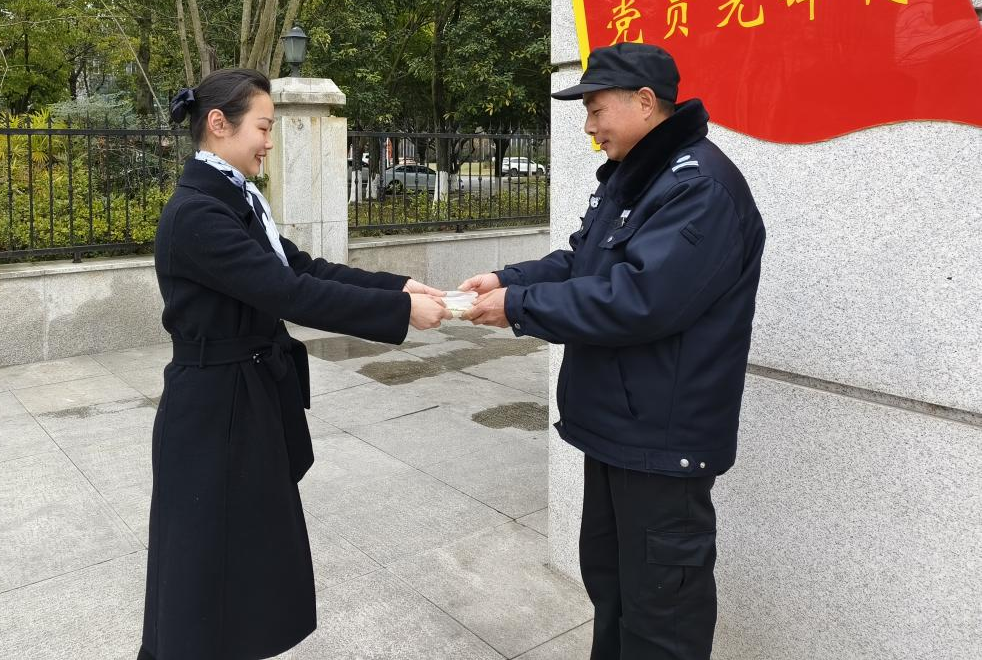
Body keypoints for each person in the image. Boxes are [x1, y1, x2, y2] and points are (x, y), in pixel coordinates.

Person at [461, 42, 765, 660]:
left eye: (596, 109)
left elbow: (639, 299)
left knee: (660, 618)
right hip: (620, 431)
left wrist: (519, 307)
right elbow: (583, 261)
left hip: (662, 443)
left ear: (645, 102)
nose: (589, 127)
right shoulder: (637, 175)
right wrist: (508, 281)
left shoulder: (699, 188)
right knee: (612, 589)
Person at [138, 68, 448, 660]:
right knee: (203, 572)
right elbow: (289, 294)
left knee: (242, 565)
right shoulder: (198, 214)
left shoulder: (232, 198)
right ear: (218, 123)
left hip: (242, 399)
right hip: (213, 413)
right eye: (263, 127)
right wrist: (399, 313)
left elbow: (301, 268)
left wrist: (396, 287)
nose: (269, 142)